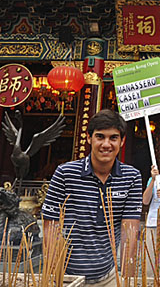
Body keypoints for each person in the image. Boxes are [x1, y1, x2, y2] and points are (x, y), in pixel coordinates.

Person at [41, 109, 142, 286]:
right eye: (100, 137)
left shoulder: (131, 177)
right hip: (67, 276)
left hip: (109, 275)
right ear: (89, 138)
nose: (106, 144)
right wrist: (54, 276)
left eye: (113, 138)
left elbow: (130, 232)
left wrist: (126, 277)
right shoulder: (65, 173)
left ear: (122, 141)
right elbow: (51, 228)